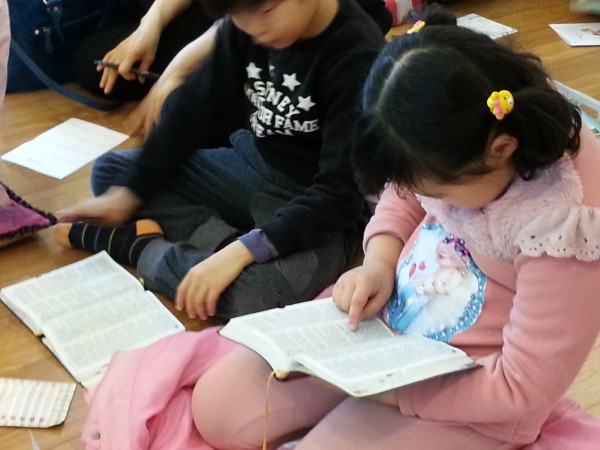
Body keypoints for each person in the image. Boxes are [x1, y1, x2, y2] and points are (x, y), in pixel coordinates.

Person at [185, 8, 600, 449]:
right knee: (218, 406)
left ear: (501, 150)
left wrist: (387, 390)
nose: (427, 200)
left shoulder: (567, 227)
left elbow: (521, 388)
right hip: (390, 331)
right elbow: (404, 192)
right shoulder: (461, 132)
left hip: (475, 390)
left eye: (437, 191)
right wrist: (379, 262)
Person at [54, 0, 386, 321]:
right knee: (112, 174)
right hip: (252, 166)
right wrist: (126, 197)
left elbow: (339, 195)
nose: (256, 29)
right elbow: (193, 108)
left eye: (267, 10)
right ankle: (218, 245)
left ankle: (142, 248)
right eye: (239, 18)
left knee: (260, 293)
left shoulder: (357, 54)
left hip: (319, 208)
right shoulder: (247, 28)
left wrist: (244, 252)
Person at [72, 0, 393, 136]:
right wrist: (149, 26)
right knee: (96, 63)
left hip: (296, 22)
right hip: (227, 16)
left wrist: (177, 72)